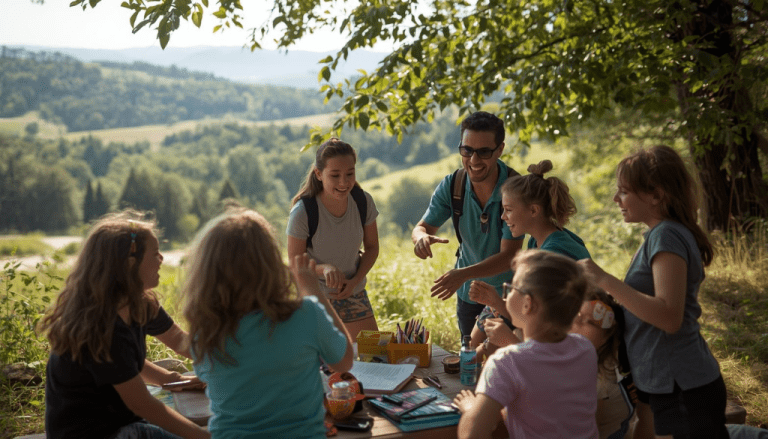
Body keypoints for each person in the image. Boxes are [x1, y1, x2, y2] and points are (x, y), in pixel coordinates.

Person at [579, 145, 728, 439]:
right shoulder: (659, 234)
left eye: (623, 191)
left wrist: (606, 279)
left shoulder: (666, 235)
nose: (615, 198)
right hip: (660, 380)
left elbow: (669, 316)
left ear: (656, 195)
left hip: (682, 385)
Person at [183, 207, 354, 439]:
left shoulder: (205, 331)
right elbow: (344, 362)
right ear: (272, 263)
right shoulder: (306, 313)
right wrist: (312, 290)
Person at [39, 212, 210, 439]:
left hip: (119, 422)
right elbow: (144, 405)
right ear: (130, 264)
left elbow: (180, 341)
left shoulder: (140, 303)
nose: (161, 259)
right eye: (155, 253)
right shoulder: (101, 327)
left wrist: (173, 379)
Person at [453, 249, 599, 439]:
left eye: (512, 288)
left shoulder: (506, 361)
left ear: (527, 304)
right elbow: (547, 407)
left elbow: (471, 435)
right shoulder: (586, 349)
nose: (506, 295)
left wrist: (471, 408)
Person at [412, 111, 524, 337]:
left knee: (505, 364)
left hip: (507, 296)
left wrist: (462, 274)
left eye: (483, 152)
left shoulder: (515, 189)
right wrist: (421, 238)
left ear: (500, 149)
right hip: (468, 296)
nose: (473, 160)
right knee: (471, 363)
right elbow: (422, 227)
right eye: (467, 150)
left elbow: (509, 256)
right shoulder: (453, 185)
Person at [469, 159, 590, 357]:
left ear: (533, 210)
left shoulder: (553, 255)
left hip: (569, 349)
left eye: (508, 210)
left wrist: (496, 302)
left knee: (491, 348)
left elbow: (541, 325)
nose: (503, 217)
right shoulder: (539, 242)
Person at [287, 137, 379, 340]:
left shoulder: (363, 201)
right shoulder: (303, 212)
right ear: (319, 174)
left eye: (350, 174)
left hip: (353, 293)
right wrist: (324, 268)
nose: (344, 182)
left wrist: (354, 281)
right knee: (323, 365)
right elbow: (295, 264)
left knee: (374, 357)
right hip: (315, 297)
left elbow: (372, 248)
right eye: (335, 175)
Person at [571, 290, 640, 439]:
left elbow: (590, 431)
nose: (575, 322)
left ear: (605, 336)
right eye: (575, 315)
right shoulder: (591, 354)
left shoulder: (596, 375)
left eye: (589, 322)